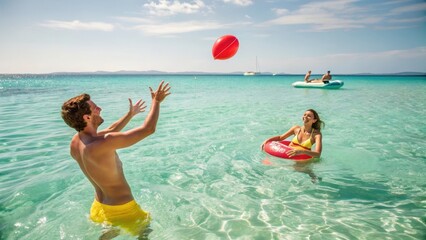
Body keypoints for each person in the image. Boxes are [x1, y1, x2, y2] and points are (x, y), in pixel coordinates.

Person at [61, 81, 171, 239]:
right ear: (87, 117)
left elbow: (111, 130)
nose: (100, 109)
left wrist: (130, 114)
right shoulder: (102, 143)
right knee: (145, 233)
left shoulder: (76, 142)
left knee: (110, 233)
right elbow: (148, 129)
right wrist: (156, 102)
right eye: (95, 108)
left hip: (99, 207)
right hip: (123, 209)